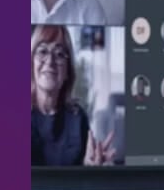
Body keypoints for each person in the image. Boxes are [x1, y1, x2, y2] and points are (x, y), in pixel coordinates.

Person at [32, 25, 116, 166]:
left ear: (67, 71)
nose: (50, 61)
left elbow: (82, 173)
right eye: (42, 51)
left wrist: (89, 166)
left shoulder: (77, 118)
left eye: (59, 54)